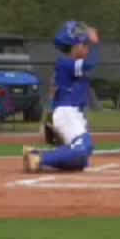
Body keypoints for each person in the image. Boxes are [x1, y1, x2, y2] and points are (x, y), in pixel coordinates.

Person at [25, 22, 100, 173]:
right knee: (83, 147)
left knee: (81, 159)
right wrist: (95, 43)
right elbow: (90, 64)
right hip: (67, 112)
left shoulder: (70, 64)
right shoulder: (65, 63)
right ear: (74, 47)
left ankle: (37, 155)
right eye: (84, 45)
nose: (87, 48)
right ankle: (38, 157)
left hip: (73, 114)